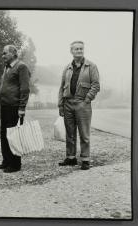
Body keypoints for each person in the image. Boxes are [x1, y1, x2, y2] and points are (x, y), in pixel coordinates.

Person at [58, 41, 100, 170]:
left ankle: (85, 159)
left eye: (81, 49)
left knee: (84, 134)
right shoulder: (67, 68)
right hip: (68, 104)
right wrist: (60, 104)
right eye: (76, 49)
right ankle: (71, 158)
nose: (79, 51)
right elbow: (61, 87)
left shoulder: (91, 66)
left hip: (82, 103)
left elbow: (96, 85)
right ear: (71, 51)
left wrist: (87, 100)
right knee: (70, 133)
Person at [0, 44, 31, 173]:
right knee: (4, 134)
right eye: (3, 53)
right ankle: (6, 161)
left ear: (13, 54)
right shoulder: (6, 67)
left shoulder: (21, 67)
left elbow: (25, 89)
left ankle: (15, 164)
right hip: (5, 105)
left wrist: (22, 107)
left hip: (14, 107)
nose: (3, 56)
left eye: (5, 53)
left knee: (14, 135)